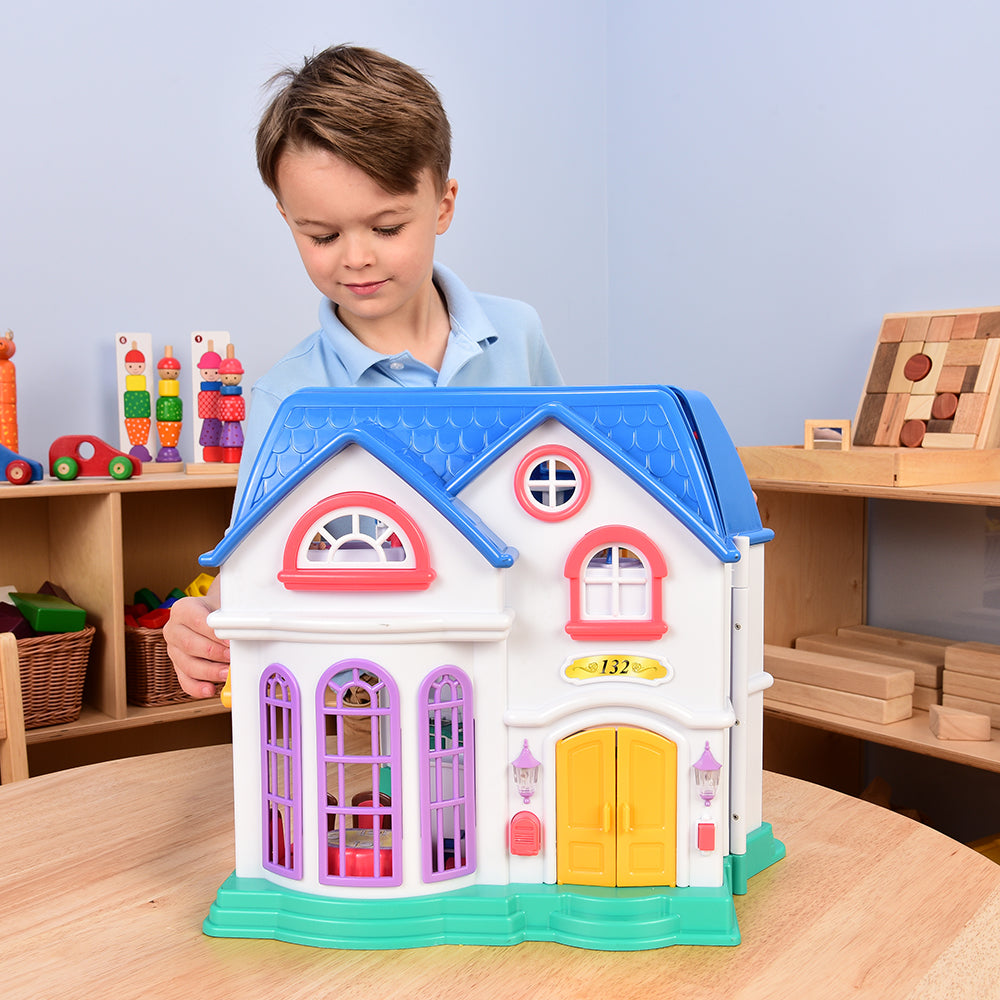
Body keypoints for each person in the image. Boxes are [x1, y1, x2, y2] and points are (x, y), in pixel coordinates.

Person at [165, 44, 563, 699]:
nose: (356, 258)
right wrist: (204, 622)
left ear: (442, 203)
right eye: (321, 236)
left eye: (385, 226)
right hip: (368, 703)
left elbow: (568, 492)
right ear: (287, 220)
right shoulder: (286, 397)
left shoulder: (518, 335)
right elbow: (251, 583)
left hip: (522, 678)